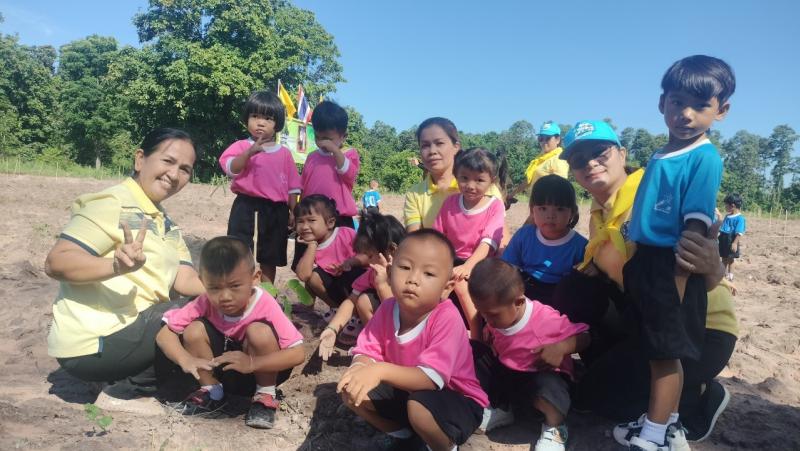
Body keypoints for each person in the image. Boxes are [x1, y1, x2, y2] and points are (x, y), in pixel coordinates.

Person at [612, 55, 735, 451]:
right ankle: (666, 422)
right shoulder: (660, 153)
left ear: (721, 111)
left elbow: (695, 224)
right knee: (657, 353)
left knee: (665, 356)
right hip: (648, 260)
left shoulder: (704, 156)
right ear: (661, 102)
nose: (686, 113)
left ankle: (653, 435)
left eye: (700, 105)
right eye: (677, 102)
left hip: (672, 265)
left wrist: (678, 280)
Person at [44, 128, 205, 414]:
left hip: (133, 333)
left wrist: (236, 291)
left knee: (210, 307)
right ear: (140, 159)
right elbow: (57, 262)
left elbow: (185, 278)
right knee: (193, 316)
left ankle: (120, 377)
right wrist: (114, 266)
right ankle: (125, 392)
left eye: (185, 169)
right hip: (94, 343)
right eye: (168, 161)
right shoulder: (111, 203)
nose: (174, 174)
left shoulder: (165, 223)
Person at [337, 229, 489, 451]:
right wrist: (359, 367)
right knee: (350, 387)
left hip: (455, 400)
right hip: (409, 393)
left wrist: (379, 370)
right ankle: (401, 433)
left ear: (447, 287)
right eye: (405, 267)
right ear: (390, 272)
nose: (413, 279)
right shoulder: (387, 309)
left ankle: (444, 446)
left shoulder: (446, 317)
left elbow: (430, 379)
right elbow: (366, 350)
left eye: (428, 274)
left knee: (419, 409)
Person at [156, 236, 305, 428]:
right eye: (215, 288)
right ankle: (211, 391)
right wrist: (186, 359)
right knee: (193, 330)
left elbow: (298, 353)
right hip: (222, 371)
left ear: (255, 278)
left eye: (235, 286)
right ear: (203, 282)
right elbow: (164, 335)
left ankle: (265, 396)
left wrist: (252, 363)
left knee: (259, 332)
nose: (225, 296)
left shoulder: (265, 304)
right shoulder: (204, 301)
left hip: (260, 370)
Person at [470, 259, 590, 451]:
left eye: (492, 314)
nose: (487, 319)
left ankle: (555, 426)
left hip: (539, 377)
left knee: (547, 385)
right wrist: (488, 331)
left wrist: (561, 347)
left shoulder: (545, 319)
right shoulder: (499, 317)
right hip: (510, 372)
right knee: (473, 352)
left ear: (518, 302)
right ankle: (503, 408)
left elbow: (585, 335)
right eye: (482, 313)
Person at [218, 91, 301, 284]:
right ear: (247, 119)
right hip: (245, 206)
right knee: (240, 250)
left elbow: (293, 187)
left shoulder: (284, 154)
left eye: (268, 118)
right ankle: (242, 289)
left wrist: (294, 212)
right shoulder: (241, 146)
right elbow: (230, 168)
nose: (261, 123)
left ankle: (268, 293)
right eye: (255, 116)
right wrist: (249, 153)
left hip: (276, 210)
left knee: (269, 256)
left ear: (277, 123)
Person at [433, 147, 506, 340]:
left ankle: (476, 335)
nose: (470, 185)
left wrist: (468, 266)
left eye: (479, 180)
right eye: (464, 178)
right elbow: (437, 238)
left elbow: (488, 242)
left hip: (482, 262)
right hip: (453, 259)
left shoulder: (494, 206)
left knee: (459, 284)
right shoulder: (450, 203)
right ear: (456, 176)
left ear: (492, 181)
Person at [319, 212, 406, 360]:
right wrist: (332, 329)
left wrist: (382, 286)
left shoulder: (409, 275)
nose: (368, 262)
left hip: (410, 328)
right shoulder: (373, 273)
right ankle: (377, 343)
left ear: (392, 250)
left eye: (370, 256)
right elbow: (351, 301)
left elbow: (401, 313)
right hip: (392, 326)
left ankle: (392, 349)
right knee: (363, 300)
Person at [403, 117, 505, 232]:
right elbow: (415, 238)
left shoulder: (484, 188)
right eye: (425, 145)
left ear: (456, 147)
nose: (432, 151)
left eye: (439, 143)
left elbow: (499, 234)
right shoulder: (415, 194)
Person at [292, 101, 361, 269]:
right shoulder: (312, 157)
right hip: (310, 219)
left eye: (328, 139)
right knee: (307, 263)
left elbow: (348, 174)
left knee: (339, 265)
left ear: (343, 136)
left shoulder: (349, 155)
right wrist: (296, 214)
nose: (322, 142)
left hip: (339, 220)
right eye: (318, 137)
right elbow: (303, 187)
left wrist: (335, 151)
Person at [502, 174, 587, 306]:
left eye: (559, 209)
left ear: (572, 212)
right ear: (532, 210)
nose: (550, 215)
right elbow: (508, 266)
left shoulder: (580, 245)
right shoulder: (524, 235)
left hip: (560, 297)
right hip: (524, 290)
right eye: (543, 208)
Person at [293, 195, 366, 316]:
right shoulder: (312, 247)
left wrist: (349, 263)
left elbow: (367, 256)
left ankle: (355, 313)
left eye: (311, 220)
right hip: (337, 289)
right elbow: (303, 275)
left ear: (330, 223)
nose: (304, 227)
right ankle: (338, 311)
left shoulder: (346, 233)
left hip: (358, 286)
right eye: (300, 221)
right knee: (313, 276)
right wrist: (312, 246)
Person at [509, 121, 570, 201]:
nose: (544, 142)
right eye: (541, 138)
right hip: (536, 203)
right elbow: (528, 181)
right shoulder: (540, 159)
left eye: (548, 138)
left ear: (557, 140)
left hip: (547, 205)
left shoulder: (559, 159)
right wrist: (512, 194)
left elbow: (560, 188)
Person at [718, 193, 745, 281]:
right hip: (724, 239)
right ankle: (722, 276)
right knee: (724, 258)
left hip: (731, 240)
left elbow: (739, 232)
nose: (725, 207)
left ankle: (730, 276)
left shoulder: (740, 218)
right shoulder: (727, 216)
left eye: (726, 205)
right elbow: (722, 227)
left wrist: (734, 243)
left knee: (731, 259)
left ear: (732, 206)